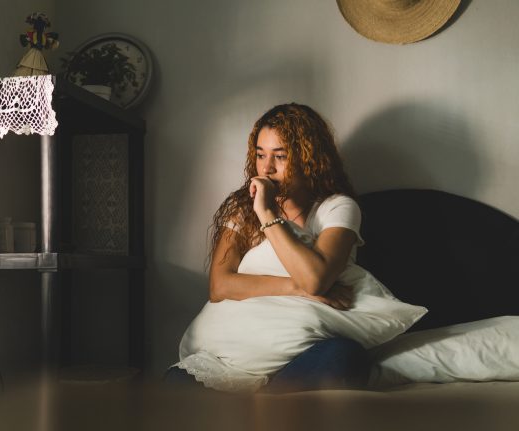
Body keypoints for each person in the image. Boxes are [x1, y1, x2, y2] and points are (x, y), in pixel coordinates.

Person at [166, 103, 425, 393]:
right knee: (175, 385)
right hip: (235, 352)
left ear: (308, 158)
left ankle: (264, 404)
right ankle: (262, 406)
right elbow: (220, 285)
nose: (266, 168)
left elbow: (316, 278)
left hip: (302, 357)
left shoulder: (337, 208)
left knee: (345, 357)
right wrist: (297, 288)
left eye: (280, 156)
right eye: (260, 155)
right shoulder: (241, 211)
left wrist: (266, 214)